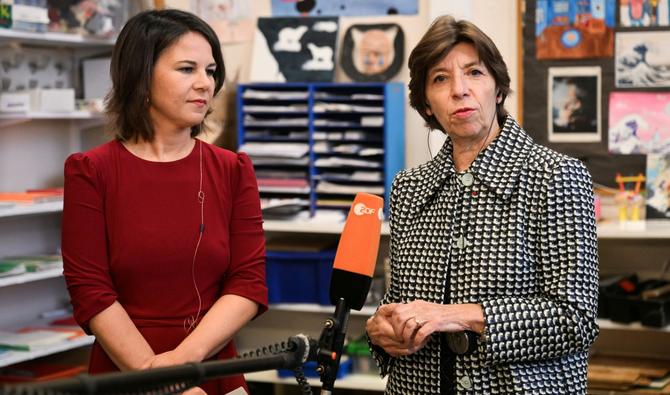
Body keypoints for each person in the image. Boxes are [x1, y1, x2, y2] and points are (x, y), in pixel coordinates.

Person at [366, 15, 599, 394]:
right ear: (426, 104)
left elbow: (575, 320)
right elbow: (402, 303)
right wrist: (381, 327)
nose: (459, 89)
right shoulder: (408, 187)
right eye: (440, 78)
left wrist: (452, 316)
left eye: (474, 73)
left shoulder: (555, 176)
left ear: (498, 88)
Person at [61, 9, 268, 394]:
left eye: (210, 71)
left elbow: (248, 283)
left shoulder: (233, 169)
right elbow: (90, 289)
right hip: (126, 370)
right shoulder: (91, 171)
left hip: (213, 368)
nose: (205, 83)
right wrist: (157, 378)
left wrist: (183, 362)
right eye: (187, 69)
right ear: (140, 76)